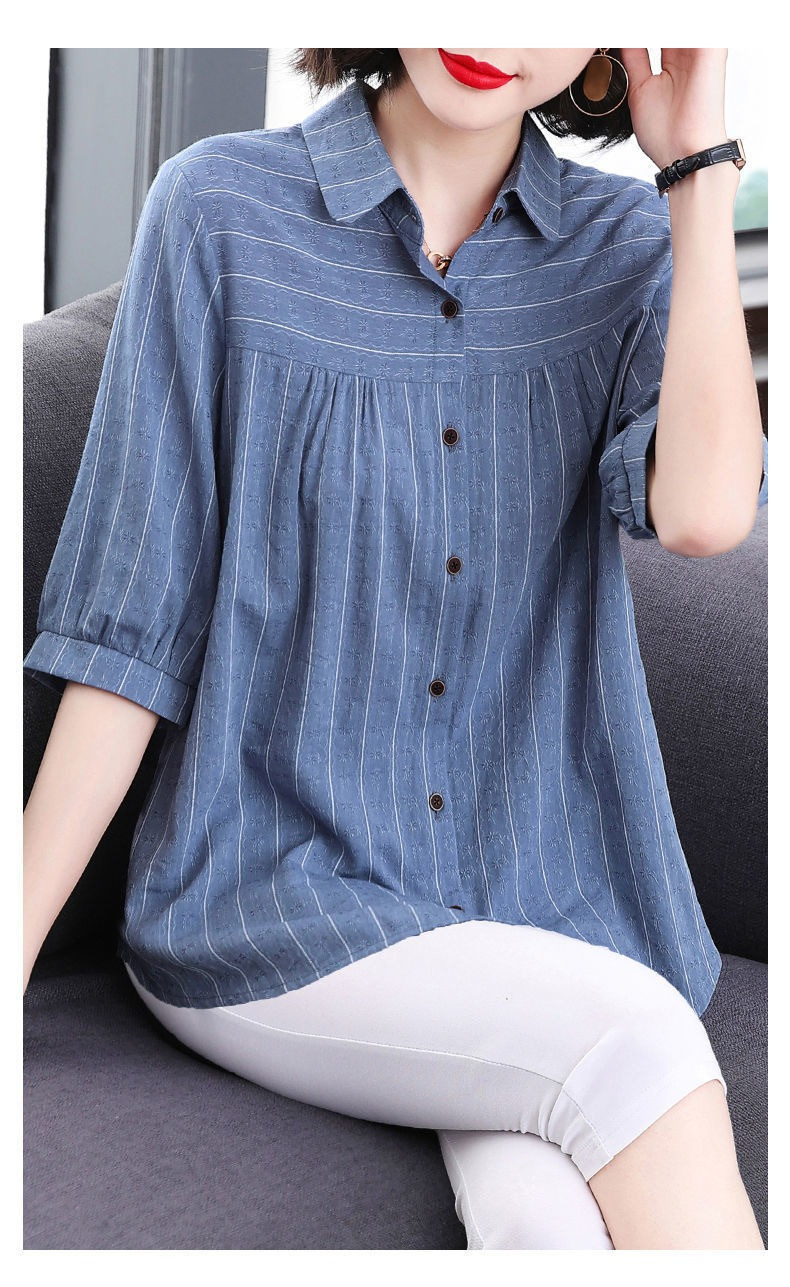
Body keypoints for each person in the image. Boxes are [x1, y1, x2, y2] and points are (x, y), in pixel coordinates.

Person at [23, 47, 767, 1250]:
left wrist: (694, 167)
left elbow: (703, 514)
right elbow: (127, 635)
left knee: (545, 1231)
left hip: (546, 907)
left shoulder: (624, 246)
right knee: (636, 1047)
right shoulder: (221, 212)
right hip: (272, 898)